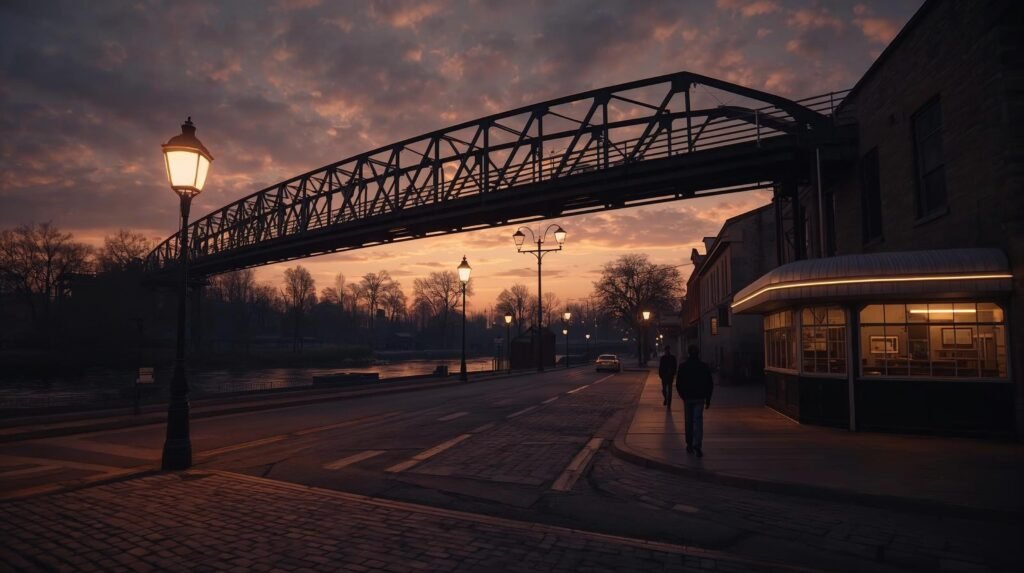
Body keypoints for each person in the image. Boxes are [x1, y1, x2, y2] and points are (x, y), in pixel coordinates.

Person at [676, 345, 713, 457]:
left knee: (689, 422)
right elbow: (709, 383)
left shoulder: (683, 366)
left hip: (688, 398)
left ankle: (689, 443)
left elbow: (678, 383)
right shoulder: (703, 366)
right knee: (698, 421)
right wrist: (708, 398)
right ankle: (697, 443)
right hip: (699, 397)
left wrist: (683, 395)